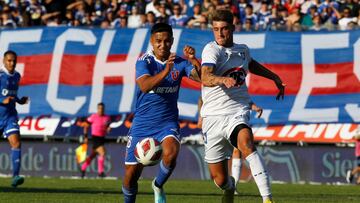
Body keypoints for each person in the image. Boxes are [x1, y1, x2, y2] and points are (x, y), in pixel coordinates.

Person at [200, 9, 285, 203]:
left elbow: (251, 64)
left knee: (247, 143)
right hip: (212, 117)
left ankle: (267, 198)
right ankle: (229, 187)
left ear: (233, 27)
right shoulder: (212, 50)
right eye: (216, 29)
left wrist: (274, 77)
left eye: (224, 29)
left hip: (237, 110)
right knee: (219, 179)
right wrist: (221, 79)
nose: (220, 33)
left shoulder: (243, 49)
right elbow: (205, 76)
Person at [121, 22, 201, 203]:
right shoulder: (144, 61)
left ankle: (157, 185)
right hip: (142, 125)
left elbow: (203, 79)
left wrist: (194, 60)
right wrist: (166, 71)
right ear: (151, 41)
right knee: (131, 175)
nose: (162, 45)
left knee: (171, 153)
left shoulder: (179, 62)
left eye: (166, 41)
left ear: (172, 41)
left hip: (167, 123)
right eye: (158, 41)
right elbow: (145, 85)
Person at [0, 50, 29, 187]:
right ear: (4, 61)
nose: (12, 63)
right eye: (9, 61)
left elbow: (12, 95)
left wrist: (20, 101)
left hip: (10, 115)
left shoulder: (17, 76)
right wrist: (1, 100)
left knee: (16, 143)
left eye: (14, 61)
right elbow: (4, 97)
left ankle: (15, 177)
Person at [79, 102, 111, 178]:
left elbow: (107, 127)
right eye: (99, 108)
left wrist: (108, 129)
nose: (101, 110)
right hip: (95, 138)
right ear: (97, 109)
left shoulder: (107, 117)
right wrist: (86, 137)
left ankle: (83, 168)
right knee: (102, 152)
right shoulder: (93, 117)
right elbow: (86, 126)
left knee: (93, 155)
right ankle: (100, 172)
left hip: (102, 138)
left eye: (102, 108)